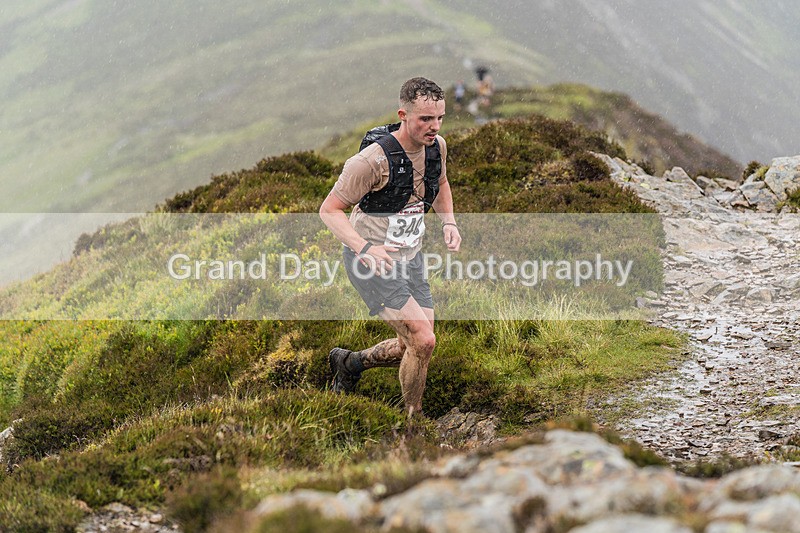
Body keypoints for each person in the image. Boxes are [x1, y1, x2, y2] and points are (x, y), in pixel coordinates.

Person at [319, 77, 461, 418]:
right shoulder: (371, 161)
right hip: (370, 263)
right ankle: (413, 423)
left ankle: (350, 364)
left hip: (410, 258)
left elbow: (440, 183)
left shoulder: (436, 147)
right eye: (425, 119)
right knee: (423, 341)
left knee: (411, 345)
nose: (434, 126)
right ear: (403, 114)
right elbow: (329, 211)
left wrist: (449, 222)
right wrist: (366, 247)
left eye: (439, 117)